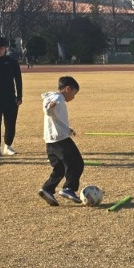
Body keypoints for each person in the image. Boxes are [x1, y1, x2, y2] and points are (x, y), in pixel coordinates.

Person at [38, 75, 83, 205]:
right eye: (74, 94)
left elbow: (56, 119)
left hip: (50, 140)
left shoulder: (53, 96)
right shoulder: (58, 99)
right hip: (60, 139)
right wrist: (49, 108)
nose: (73, 98)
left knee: (59, 169)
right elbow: (49, 111)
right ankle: (69, 188)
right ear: (68, 89)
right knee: (77, 163)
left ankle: (47, 189)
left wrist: (68, 129)